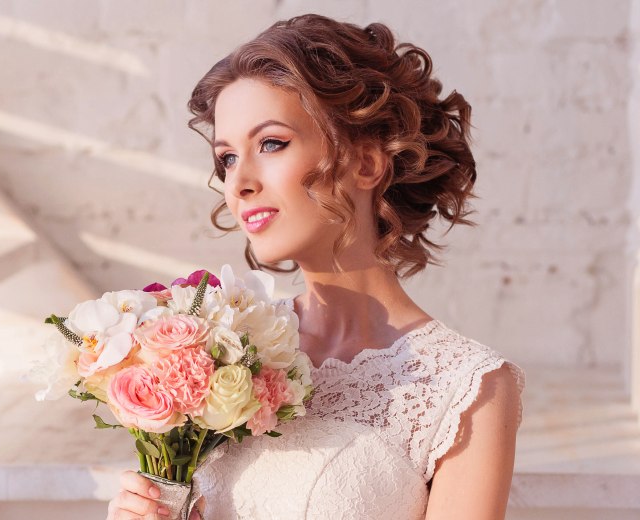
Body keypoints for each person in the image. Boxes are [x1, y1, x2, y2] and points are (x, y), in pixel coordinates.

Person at [107, 13, 524, 520]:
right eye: (227, 159)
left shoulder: (468, 387)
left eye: (271, 143)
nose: (238, 183)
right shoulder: (219, 349)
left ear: (368, 163)